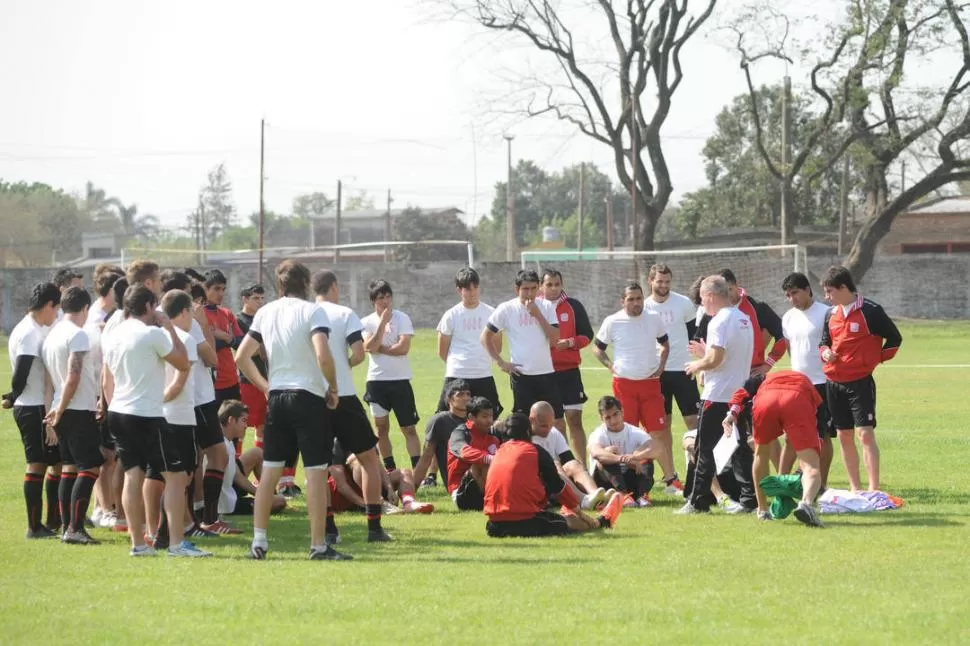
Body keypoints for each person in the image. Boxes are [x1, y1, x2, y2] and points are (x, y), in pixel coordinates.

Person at [235, 259, 350, 561]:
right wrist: (333, 387)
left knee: (270, 472)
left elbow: (241, 356)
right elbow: (323, 355)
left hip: (278, 397)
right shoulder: (313, 311)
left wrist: (264, 385)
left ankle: (258, 543)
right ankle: (318, 545)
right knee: (314, 473)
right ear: (307, 283)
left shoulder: (265, 311)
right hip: (308, 397)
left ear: (279, 284)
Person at [104, 285, 209, 557]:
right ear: (150, 307)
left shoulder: (114, 335)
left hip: (118, 410)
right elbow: (183, 362)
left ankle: (138, 543)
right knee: (175, 476)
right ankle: (176, 543)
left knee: (133, 475)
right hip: (147, 413)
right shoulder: (152, 334)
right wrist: (170, 329)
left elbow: (108, 378)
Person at [313, 270, 393, 543]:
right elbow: (359, 353)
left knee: (318, 466)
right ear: (334, 287)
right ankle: (374, 528)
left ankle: (329, 530)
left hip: (315, 397)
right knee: (369, 459)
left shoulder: (306, 313)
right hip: (344, 395)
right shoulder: (345, 313)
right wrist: (344, 366)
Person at [819, 265, 902, 492]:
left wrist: (874, 360)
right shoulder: (830, 314)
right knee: (844, 435)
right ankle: (855, 489)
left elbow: (895, 339)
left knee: (865, 434)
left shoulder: (871, 311)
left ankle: (873, 490)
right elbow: (823, 342)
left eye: (829, 292)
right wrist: (825, 352)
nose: (826, 297)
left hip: (860, 383)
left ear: (843, 287)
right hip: (834, 383)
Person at [593, 281, 679, 495]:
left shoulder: (653, 318)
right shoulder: (613, 321)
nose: (636, 303)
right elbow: (597, 348)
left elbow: (666, 344)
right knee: (627, 434)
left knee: (657, 432)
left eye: (639, 298)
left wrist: (661, 366)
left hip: (650, 384)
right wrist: (610, 365)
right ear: (622, 301)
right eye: (630, 299)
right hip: (624, 385)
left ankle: (671, 481)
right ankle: (632, 484)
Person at [679, 275, 755, 515]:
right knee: (742, 447)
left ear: (711, 296)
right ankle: (750, 499)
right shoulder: (744, 319)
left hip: (718, 393)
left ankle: (698, 501)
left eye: (702, 298)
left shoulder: (718, 321)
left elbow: (716, 358)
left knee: (704, 447)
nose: (702, 303)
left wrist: (697, 365)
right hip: (739, 393)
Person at [484, 413, 624, 538]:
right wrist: (582, 515)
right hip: (525, 521)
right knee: (565, 522)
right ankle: (602, 521)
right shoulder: (535, 451)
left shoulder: (498, 453)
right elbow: (558, 487)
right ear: (528, 431)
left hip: (494, 526)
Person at [41, 287, 103, 545]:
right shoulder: (77, 335)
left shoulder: (52, 335)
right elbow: (73, 374)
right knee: (90, 467)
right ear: (86, 308)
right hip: (75, 408)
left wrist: (56, 408)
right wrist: (64, 406)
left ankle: (68, 525)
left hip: (62, 407)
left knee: (69, 468)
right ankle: (74, 528)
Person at [724, 371, 825, 526]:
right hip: (797, 400)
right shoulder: (810, 389)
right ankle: (806, 503)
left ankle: (762, 510)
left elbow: (741, 394)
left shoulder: (762, 379)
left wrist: (731, 414)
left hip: (766, 401)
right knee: (811, 464)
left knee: (760, 454)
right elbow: (818, 436)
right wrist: (801, 471)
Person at [433, 266, 502, 490]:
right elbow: (441, 349)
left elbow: (497, 343)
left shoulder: (491, 312)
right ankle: (432, 474)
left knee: (489, 422)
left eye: (474, 288)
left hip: (483, 374)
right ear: (458, 290)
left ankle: (489, 468)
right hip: (457, 374)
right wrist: (458, 364)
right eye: (466, 289)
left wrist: (483, 360)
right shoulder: (451, 315)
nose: (470, 293)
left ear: (479, 288)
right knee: (442, 423)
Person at [5, 283, 62, 539]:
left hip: (38, 404)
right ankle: (33, 526)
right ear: (49, 305)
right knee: (36, 465)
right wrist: (13, 396)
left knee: (56, 462)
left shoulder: (35, 328)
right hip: (32, 406)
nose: (56, 314)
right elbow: (21, 372)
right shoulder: (28, 332)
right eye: (56, 308)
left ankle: (52, 520)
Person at [644, 264, 698, 494]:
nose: (664, 286)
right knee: (662, 425)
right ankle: (671, 479)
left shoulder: (683, 303)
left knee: (694, 423)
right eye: (659, 281)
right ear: (651, 281)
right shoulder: (643, 307)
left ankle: (695, 474)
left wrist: (699, 364)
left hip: (684, 369)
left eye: (667, 281)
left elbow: (696, 335)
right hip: (657, 373)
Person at [779, 272, 835, 488]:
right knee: (791, 436)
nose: (792, 299)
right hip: (798, 386)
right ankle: (781, 483)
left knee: (824, 436)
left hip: (823, 383)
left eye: (795, 293)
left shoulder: (826, 313)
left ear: (808, 290)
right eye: (788, 295)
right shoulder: (788, 317)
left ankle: (821, 484)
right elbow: (790, 349)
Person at [481, 270, 562, 418]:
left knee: (556, 420)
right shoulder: (506, 308)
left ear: (538, 288)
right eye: (525, 289)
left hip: (546, 373)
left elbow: (555, 338)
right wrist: (500, 362)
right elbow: (485, 337)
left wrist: (538, 315)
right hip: (521, 375)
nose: (529, 293)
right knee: (524, 420)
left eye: (533, 288)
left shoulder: (547, 306)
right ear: (517, 289)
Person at [361, 279, 420, 472]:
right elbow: (368, 347)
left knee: (409, 428)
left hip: (400, 381)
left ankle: (417, 468)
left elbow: (403, 348)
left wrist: (380, 348)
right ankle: (390, 469)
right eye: (381, 298)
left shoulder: (403, 318)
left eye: (388, 296)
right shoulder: (366, 322)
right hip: (377, 382)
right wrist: (383, 324)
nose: (386, 301)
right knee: (381, 429)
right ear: (373, 301)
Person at [537, 269, 594, 464]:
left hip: (569, 373)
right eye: (549, 284)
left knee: (574, 419)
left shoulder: (573, 306)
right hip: (544, 373)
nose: (553, 288)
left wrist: (570, 343)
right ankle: (561, 468)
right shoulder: (534, 307)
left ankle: (582, 467)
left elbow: (587, 335)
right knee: (556, 422)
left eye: (557, 284)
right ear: (541, 286)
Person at [588, 396, 665, 506]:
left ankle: (642, 496)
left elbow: (657, 448)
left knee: (646, 459)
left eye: (616, 414)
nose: (613, 421)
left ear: (622, 412)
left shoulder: (635, 432)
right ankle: (623, 495)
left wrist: (636, 457)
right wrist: (622, 459)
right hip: (606, 484)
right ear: (601, 418)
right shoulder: (598, 434)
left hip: (631, 480)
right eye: (608, 418)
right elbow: (596, 453)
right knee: (607, 456)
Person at [527, 402, 606, 510]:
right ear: (531, 420)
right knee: (555, 464)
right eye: (544, 426)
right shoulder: (525, 437)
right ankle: (582, 499)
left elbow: (568, 459)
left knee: (573, 464)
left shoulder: (553, 432)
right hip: (538, 484)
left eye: (551, 424)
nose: (548, 429)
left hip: (558, 482)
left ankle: (596, 496)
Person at [329, 439, 434, 517]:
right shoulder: (336, 442)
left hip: (371, 486)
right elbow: (341, 485)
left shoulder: (365, 435)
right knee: (358, 462)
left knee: (403, 472)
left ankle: (409, 503)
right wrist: (365, 505)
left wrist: (389, 489)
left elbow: (378, 466)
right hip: (346, 497)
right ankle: (379, 503)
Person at [217, 400, 287, 517]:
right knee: (280, 502)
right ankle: (268, 498)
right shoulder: (220, 446)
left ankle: (269, 493)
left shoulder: (226, 441)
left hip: (228, 489)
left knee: (257, 452)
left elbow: (237, 474)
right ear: (231, 420)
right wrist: (262, 496)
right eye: (243, 421)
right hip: (225, 503)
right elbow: (237, 478)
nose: (246, 426)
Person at [412, 380, 471, 488]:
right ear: (449, 399)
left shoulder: (474, 419)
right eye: (460, 395)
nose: (466, 398)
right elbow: (426, 457)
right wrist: (411, 490)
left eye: (468, 394)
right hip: (457, 482)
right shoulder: (440, 421)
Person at [447, 396, 500, 511]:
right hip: (462, 493)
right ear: (471, 417)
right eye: (484, 416)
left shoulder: (494, 436)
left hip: (485, 492)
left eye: (491, 416)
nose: (490, 421)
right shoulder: (461, 433)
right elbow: (464, 452)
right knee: (481, 464)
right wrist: (490, 458)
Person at [235, 284, 268, 457]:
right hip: (247, 380)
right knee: (241, 426)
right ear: (245, 299)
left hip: (266, 379)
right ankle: (238, 466)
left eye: (262, 298)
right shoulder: (238, 320)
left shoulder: (264, 319)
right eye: (256, 298)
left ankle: (260, 471)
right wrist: (261, 347)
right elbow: (239, 348)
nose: (260, 302)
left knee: (262, 427)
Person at [203, 269, 244, 405]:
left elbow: (240, 343)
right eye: (216, 289)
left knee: (239, 423)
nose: (221, 293)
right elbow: (204, 347)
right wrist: (224, 341)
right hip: (212, 383)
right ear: (205, 288)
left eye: (223, 289)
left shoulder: (227, 313)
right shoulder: (198, 315)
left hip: (232, 379)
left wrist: (225, 337)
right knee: (216, 425)